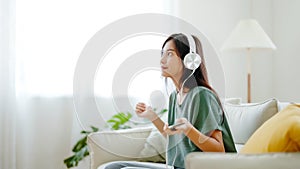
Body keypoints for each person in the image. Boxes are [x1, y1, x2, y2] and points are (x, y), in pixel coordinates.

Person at [105, 33, 236, 169]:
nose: (162, 60)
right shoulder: (175, 96)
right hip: (175, 166)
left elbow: (219, 150)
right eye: (162, 54)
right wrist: (152, 116)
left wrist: (188, 129)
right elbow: (174, 138)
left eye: (169, 54)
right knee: (112, 167)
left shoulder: (202, 95)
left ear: (189, 60)